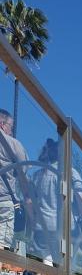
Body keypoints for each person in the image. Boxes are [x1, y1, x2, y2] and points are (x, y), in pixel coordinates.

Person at [32, 138, 82, 275]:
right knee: (68, 262)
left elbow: (30, 201)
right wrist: (81, 213)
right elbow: (80, 196)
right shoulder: (69, 171)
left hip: (42, 225)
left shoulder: (38, 174)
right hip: (64, 225)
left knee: (46, 258)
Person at [0, 109, 33, 262]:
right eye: (10, 127)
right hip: (4, 199)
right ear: (2, 124)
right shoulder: (13, 144)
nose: (11, 131)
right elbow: (24, 171)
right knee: (1, 247)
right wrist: (26, 196)